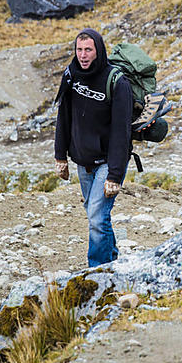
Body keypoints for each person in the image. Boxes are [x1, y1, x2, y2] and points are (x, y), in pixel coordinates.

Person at [54, 28, 132, 267]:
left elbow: (122, 132)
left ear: (98, 51)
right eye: (79, 49)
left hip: (108, 162)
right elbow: (63, 117)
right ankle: (113, 262)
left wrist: (115, 175)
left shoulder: (117, 82)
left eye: (88, 50)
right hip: (82, 162)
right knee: (96, 215)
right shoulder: (71, 76)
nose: (83, 55)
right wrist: (61, 156)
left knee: (97, 218)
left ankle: (96, 273)